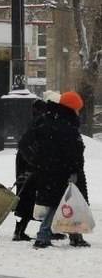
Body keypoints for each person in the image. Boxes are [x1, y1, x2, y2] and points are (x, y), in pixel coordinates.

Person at [32, 91, 91, 249]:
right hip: (65, 172)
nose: (79, 111)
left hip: (54, 170)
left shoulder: (55, 122)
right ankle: (43, 236)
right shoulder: (66, 126)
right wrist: (73, 170)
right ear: (71, 108)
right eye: (77, 108)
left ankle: (74, 236)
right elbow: (71, 152)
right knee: (63, 203)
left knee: (70, 203)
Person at [13, 99, 47, 241]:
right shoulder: (39, 123)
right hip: (30, 167)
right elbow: (28, 144)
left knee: (27, 198)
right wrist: (34, 161)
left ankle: (20, 230)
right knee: (31, 197)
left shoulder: (32, 122)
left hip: (25, 165)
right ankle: (21, 231)